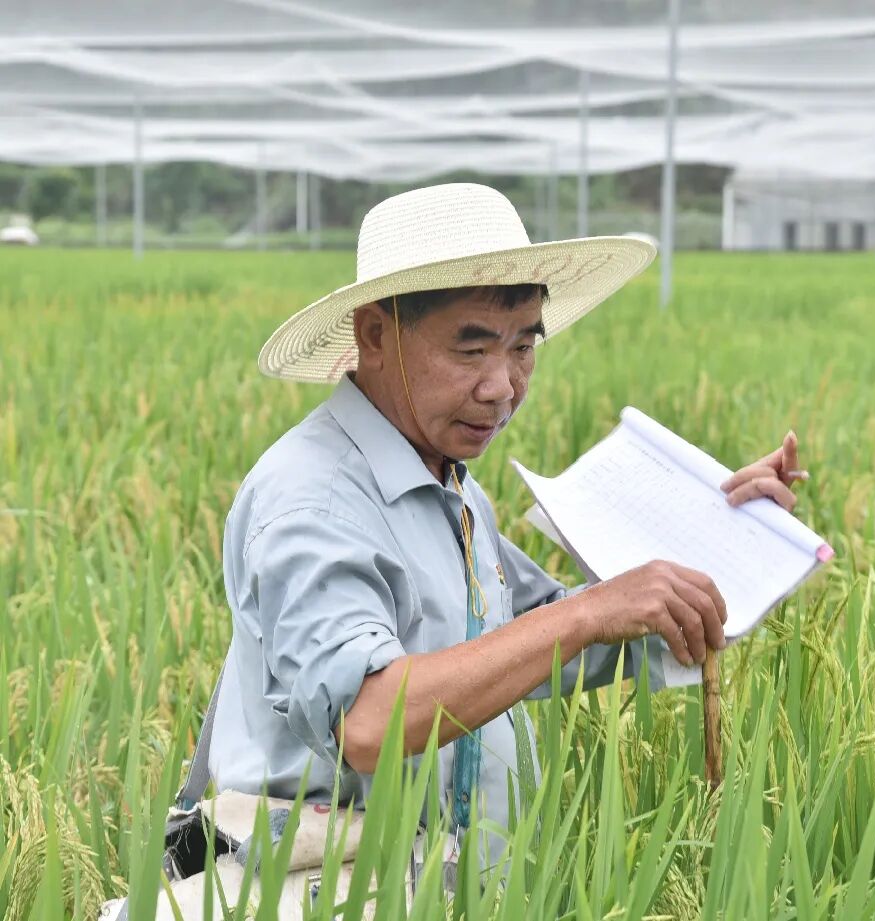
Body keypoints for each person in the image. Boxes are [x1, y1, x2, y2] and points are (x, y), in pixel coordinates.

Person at [208, 183, 805, 871]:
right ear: (375, 334)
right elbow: (368, 720)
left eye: (523, 346)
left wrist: (733, 540)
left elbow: (550, 633)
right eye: (471, 350)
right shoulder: (313, 502)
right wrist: (588, 612)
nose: (503, 386)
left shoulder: (448, 486)